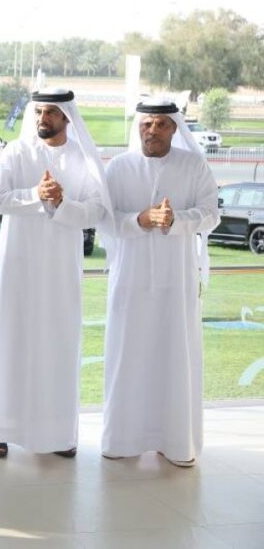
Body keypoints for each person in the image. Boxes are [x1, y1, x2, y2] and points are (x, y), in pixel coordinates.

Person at [0, 89, 111, 459]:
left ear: (65, 117)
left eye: (50, 113)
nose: (42, 119)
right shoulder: (17, 152)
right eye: (38, 112)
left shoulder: (82, 158)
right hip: (17, 265)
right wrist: (36, 194)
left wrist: (61, 203)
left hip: (60, 269)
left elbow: (97, 210)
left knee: (56, 345)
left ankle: (56, 434)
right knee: (9, 341)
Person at [100, 99, 219, 467]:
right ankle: (123, 439)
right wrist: (139, 220)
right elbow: (104, 219)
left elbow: (211, 214)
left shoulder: (194, 165)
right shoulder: (119, 167)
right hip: (130, 278)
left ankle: (175, 441)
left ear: (174, 128)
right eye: (146, 124)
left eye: (160, 124)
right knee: (127, 355)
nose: (151, 130)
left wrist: (174, 220)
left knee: (174, 356)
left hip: (176, 279)